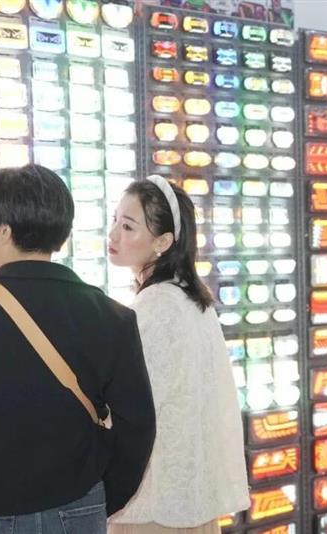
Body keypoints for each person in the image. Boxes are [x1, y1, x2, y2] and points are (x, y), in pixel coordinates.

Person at [0, 164, 156, 534]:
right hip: (79, 505)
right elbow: (138, 425)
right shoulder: (112, 316)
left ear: (3, 232)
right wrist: (103, 496)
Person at [107, 176, 250, 534]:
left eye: (128, 226)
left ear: (163, 241)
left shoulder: (155, 307)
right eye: (114, 220)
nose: (113, 235)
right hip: (188, 501)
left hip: (153, 508)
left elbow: (131, 409)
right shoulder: (188, 297)